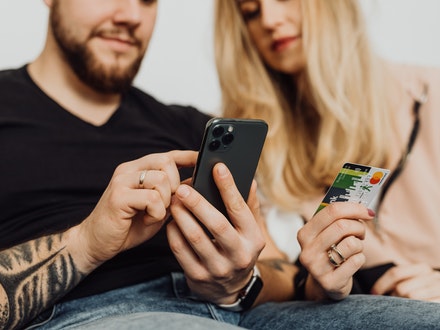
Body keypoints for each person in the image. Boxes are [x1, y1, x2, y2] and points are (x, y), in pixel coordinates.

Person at [1, 1, 440, 330]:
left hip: (243, 313)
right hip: (89, 313)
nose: (131, 14)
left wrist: (240, 281)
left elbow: (278, 267)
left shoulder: (197, 126)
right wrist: (86, 243)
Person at [214, 0, 440, 302]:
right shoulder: (262, 150)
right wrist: (319, 286)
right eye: (250, 12)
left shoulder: (430, 97)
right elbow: (275, 278)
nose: (268, 20)